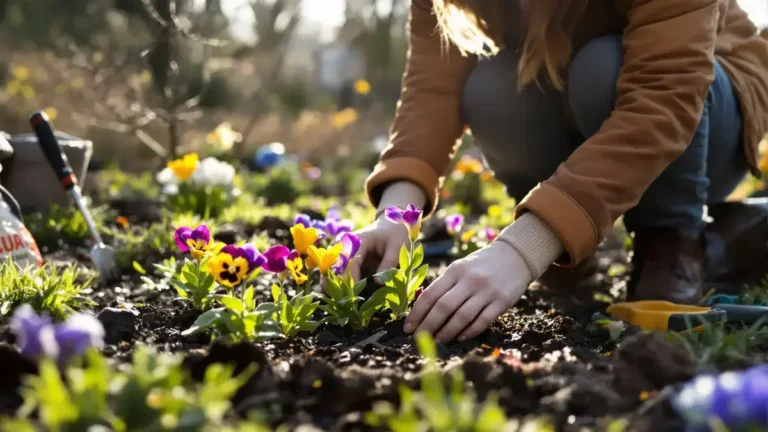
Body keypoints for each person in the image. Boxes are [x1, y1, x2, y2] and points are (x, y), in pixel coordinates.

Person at [350, 0, 768, 344]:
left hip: (705, 112)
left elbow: (664, 101)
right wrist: (395, 215)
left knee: (603, 65)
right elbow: (432, 89)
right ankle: (566, 252)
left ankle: (672, 241)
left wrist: (520, 250)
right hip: (568, 89)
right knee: (494, 84)